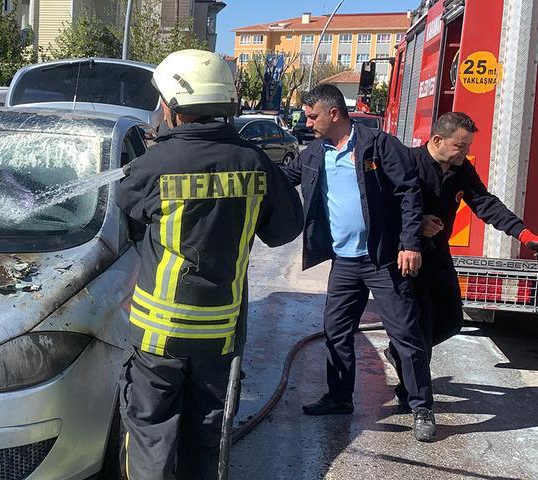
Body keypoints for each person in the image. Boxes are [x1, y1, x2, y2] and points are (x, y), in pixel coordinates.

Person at [116, 49, 303, 479]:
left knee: (149, 430)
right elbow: (285, 230)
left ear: (173, 107)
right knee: (208, 432)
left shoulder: (153, 165)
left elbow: (127, 228)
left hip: (158, 336)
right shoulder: (254, 162)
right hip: (219, 333)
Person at [281, 84, 437, 442]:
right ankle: (339, 398)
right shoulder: (314, 153)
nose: (308, 122)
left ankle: (421, 407)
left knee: (405, 334)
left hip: (383, 259)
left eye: (313, 115)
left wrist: (410, 243)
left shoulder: (378, 145)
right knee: (336, 332)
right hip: (344, 263)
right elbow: (282, 179)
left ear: (334, 113)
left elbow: (409, 192)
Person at [385, 112, 538, 408]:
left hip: (438, 256)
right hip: (409, 256)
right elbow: (385, 207)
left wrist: (523, 234)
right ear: (438, 139)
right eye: (460, 146)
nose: (465, 152)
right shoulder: (407, 162)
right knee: (423, 325)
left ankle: (402, 352)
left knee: (452, 321)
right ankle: (413, 397)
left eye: (467, 146)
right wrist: (417, 225)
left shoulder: (461, 170)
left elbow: (486, 204)